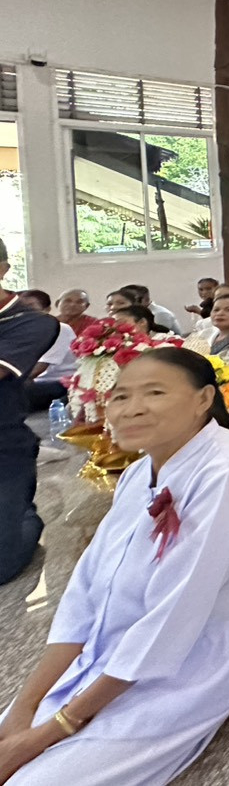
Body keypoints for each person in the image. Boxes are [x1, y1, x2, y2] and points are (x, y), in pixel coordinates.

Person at [0, 347, 229, 785]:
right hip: (113, 645)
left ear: (204, 399)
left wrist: (52, 731)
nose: (132, 409)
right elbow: (83, 593)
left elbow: (177, 615)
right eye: (121, 396)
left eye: (154, 392)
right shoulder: (138, 473)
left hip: (193, 658)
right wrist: (23, 710)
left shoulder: (228, 472)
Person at [0, 243, 61, 585]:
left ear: (3, 269)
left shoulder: (30, 321)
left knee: (3, 564)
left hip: (4, 448)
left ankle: (24, 513)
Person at [15, 291, 75, 412]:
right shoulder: (20, 331)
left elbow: (39, 368)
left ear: (47, 309)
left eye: (31, 306)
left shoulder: (59, 328)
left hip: (61, 383)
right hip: (34, 382)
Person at [118, 284, 183, 335]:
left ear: (146, 299)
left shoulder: (160, 314)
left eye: (130, 299)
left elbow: (157, 337)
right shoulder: (131, 314)